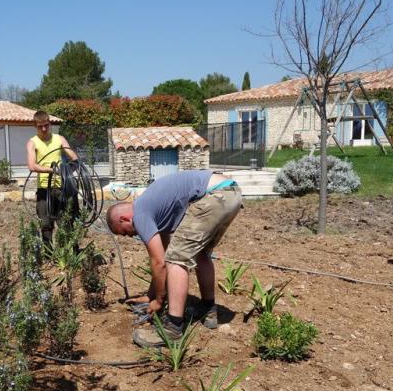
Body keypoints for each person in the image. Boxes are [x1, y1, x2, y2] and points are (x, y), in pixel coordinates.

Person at [106, 170, 242, 348]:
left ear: (124, 219)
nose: (130, 236)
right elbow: (161, 255)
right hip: (230, 194)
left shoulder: (140, 213)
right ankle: (208, 310)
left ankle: (173, 328)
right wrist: (151, 295)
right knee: (200, 254)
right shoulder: (155, 209)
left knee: (176, 259)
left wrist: (159, 301)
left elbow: (160, 262)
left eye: (124, 232)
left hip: (215, 196)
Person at [26, 110, 78, 244]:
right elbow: (32, 165)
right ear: (35, 126)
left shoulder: (59, 139)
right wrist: (53, 170)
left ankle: (68, 254)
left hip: (62, 188)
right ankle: (49, 254)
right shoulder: (32, 142)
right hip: (44, 189)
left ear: (50, 124)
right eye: (40, 126)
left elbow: (74, 158)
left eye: (46, 125)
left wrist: (68, 169)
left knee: (66, 222)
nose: (43, 129)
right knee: (45, 224)